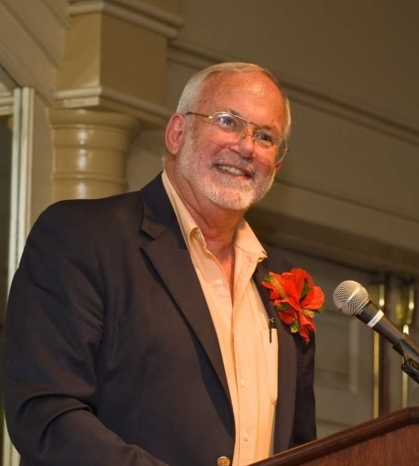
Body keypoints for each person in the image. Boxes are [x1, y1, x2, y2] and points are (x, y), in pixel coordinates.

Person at [2, 62, 316, 466]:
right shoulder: (83, 237)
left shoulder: (282, 282)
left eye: (266, 136)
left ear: (277, 164)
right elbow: (45, 413)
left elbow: (303, 450)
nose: (246, 146)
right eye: (227, 121)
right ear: (177, 133)